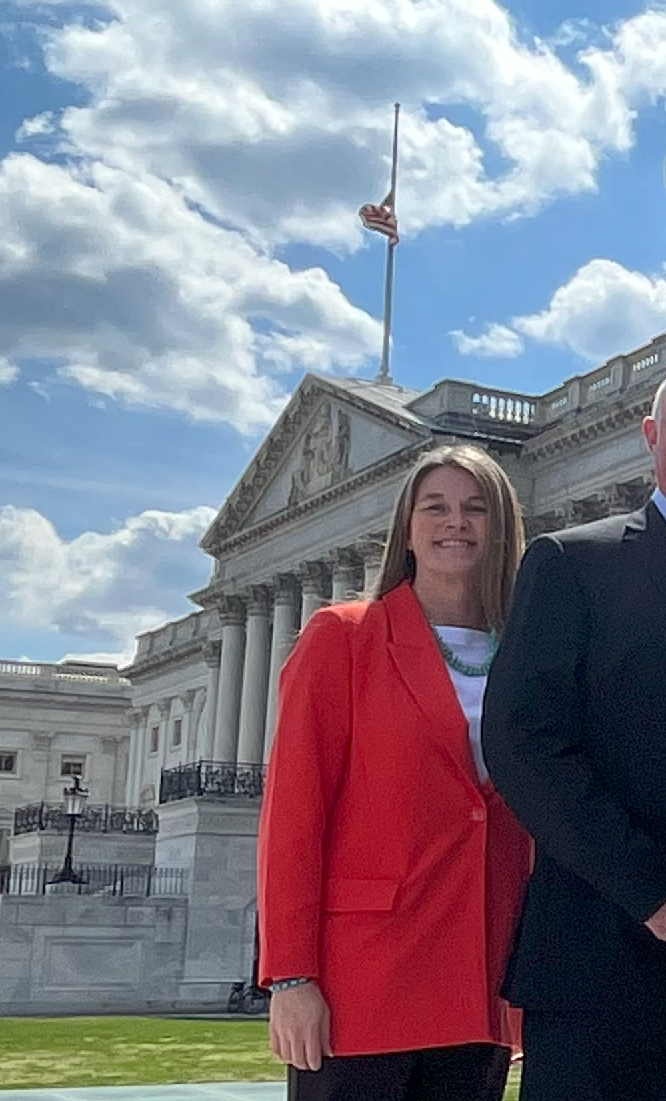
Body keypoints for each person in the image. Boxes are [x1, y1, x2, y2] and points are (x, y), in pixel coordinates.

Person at [483, 353, 666, 1101]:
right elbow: (524, 742)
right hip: (608, 958)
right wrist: (646, 883)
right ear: (651, 435)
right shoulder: (572, 564)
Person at [258, 442, 534, 1101]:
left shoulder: (530, 653)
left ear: (501, 528)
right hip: (365, 985)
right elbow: (293, 819)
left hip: (481, 980)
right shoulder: (343, 638)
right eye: (434, 507)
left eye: (475, 509)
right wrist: (291, 979)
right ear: (406, 529)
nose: (455, 523)